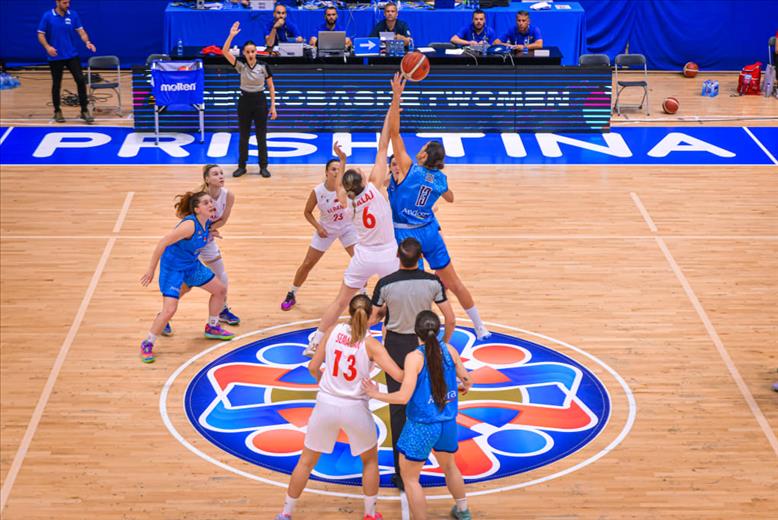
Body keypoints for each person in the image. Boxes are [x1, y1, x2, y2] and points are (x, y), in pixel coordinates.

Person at [275, 295, 403, 520]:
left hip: (326, 404)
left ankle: (286, 512)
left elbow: (313, 366)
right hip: (355, 408)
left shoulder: (333, 330)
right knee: (370, 461)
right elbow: (399, 375)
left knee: (306, 462)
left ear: (350, 311)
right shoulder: (372, 345)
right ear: (369, 314)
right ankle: (370, 514)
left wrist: (326, 383)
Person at [386, 73, 491, 340]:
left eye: (420, 148)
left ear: (422, 156)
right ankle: (480, 327)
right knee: (453, 282)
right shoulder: (440, 179)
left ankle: (405, 327)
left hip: (406, 233)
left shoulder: (408, 170)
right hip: (430, 231)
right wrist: (439, 196)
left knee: (411, 283)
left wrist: (397, 95)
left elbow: (394, 132)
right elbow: (451, 197)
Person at [305, 104, 400, 356]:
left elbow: (340, 184)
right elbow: (383, 145)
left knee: (340, 302)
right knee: (395, 304)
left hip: (364, 255)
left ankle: (316, 342)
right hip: (389, 255)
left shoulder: (345, 201)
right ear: (363, 180)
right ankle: (391, 347)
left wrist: (343, 161)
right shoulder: (376, 188)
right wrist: (393, 104)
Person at [363, 311, 473, 520]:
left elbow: (404, 397)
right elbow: (468, 379)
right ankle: (463, 510)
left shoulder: (414, 358)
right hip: (447, 423)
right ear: (438, 330)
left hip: (422, 425)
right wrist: (461, 386)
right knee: (450, 467)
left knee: (410, 479)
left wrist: (375, 394)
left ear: (416, 332)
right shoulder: (449, 350)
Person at [370, 237, 455, 489]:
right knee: (436, 397)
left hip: (396, 346)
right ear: (421, 259)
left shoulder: (384, 284)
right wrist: (442, 345)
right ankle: (443, 460)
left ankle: (402, 473)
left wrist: (388, 311)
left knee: (399, 407)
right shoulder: (433, 281)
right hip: (427, 343)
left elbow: (374, 316)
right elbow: (449, 318)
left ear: (398, 257)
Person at [138, 191, 235, 363]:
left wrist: (211, 235)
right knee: (170, 309)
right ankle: (148, 343)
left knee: (220, 290)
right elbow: (163, 242)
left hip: (191, 266)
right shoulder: (189, 225)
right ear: (197, 209)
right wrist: (151, 270)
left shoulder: (207, 223)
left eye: (211, 202)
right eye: (206, 203)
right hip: (173, 269)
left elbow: (198, 240)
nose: (211, 204)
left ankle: (212, 327)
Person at [281, 143, 358, 311]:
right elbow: (307, 212)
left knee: (360, 261)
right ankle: (291, 293)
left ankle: (364, 295)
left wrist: (343, 159)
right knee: (308, 263)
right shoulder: (318, 191)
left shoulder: (345, 187)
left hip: (347, 228)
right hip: (326, 230)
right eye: (333, 169)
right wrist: (318, 227)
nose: (337, 171)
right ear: (326, 172)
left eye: (339, 169)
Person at [222, 22, 277, 178]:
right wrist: (231, 35)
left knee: (261, 135)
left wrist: (273, 106)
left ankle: (263, 166)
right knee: (244, 135)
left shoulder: (264, 66)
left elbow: (271, 87)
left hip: (260, 101)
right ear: (244, 53)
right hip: (244, 102)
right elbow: (224, 51)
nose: (251, 54)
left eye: (253, 51)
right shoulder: (240, 66)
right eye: (248, 52)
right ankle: (242, 166)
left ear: (256, 52)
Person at [36, 0, 95, 124]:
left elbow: (81, 32)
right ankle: (57, 111)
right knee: (57, 84)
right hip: (56, 56)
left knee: (80, 80)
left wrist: (87, 42)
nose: (67, 5)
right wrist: (48, 47)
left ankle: (84, 110)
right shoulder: (48, 16)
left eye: (68, 2)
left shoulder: (73, 15)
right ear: (57, 2)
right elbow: (40, 34)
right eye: (64, 3)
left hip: (72, 55)